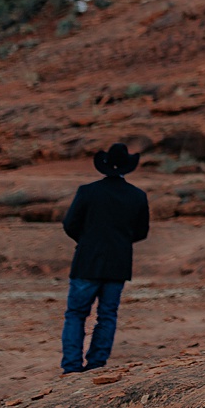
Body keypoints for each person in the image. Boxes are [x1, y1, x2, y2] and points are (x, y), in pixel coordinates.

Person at [60, 142, 150, 374]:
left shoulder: (87, 191)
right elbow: (141, 232)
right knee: (107, 315)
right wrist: (120, 243)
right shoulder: (137, 196)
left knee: (76, 314)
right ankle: (96, 364)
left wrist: (87, 240)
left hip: (87, 261)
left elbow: (70, 224)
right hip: (118, 264)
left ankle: (71, 366)